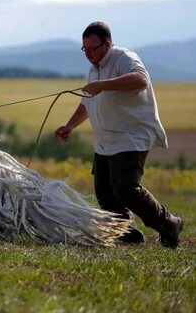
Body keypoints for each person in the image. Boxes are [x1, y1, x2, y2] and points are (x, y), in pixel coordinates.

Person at [54, 21, 183, 248]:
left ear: (108, 44)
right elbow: (88, 104)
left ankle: (168, 223)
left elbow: (140, 80)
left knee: (125, 187)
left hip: (131, 135)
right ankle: (127, 233)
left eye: (93, 48)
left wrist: (102, 84)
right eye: (85, 49)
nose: (89, 54)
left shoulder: (124, 58)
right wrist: (70, 125)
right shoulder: (94, 68)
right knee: (104, 192)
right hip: (105, 139)